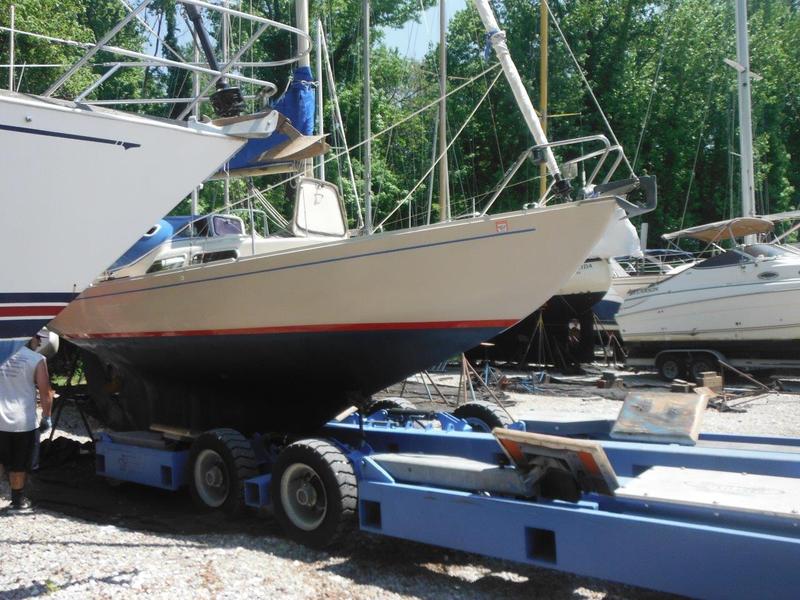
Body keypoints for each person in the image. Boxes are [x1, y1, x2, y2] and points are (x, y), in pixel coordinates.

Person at [0, 330, 53, 512]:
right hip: (22, 422)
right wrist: (46, 417)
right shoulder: (36, 359)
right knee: (19, 463)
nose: (39, 344)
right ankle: (17, 502)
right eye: (38, 339)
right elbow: (46, 393)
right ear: (30, 337)